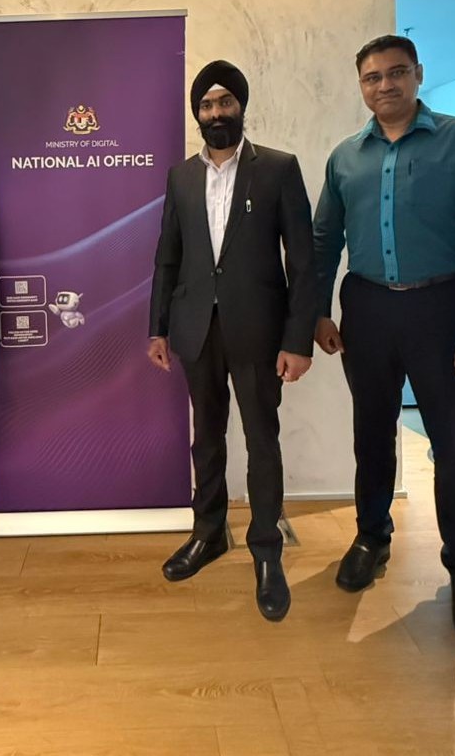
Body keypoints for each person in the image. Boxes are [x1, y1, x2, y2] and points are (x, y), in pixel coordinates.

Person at [313, 34, 455, 650]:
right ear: (361, 86)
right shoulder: (345, 158)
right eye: (372, 77)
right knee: (371, 431)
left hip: (444, 309)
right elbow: (324, 241)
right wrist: (317, 312)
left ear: (418, 73)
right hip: (366, 309)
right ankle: (372, 537)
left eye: (396, 73)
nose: (385, 85)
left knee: (452, 445)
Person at [148, 60, 316, 621]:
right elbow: (167, 257)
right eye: (207, 104)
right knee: (207, 438)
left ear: (241, 106)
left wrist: (298, 338)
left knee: (262, 440)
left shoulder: (278, 169)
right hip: (196, 328)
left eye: (225, 102)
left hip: (260, 332)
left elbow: (303, 260)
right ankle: (209, 533)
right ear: (197, 114)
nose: (216, 112)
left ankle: (266, 549)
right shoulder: (180, 177)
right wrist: (157, 328)